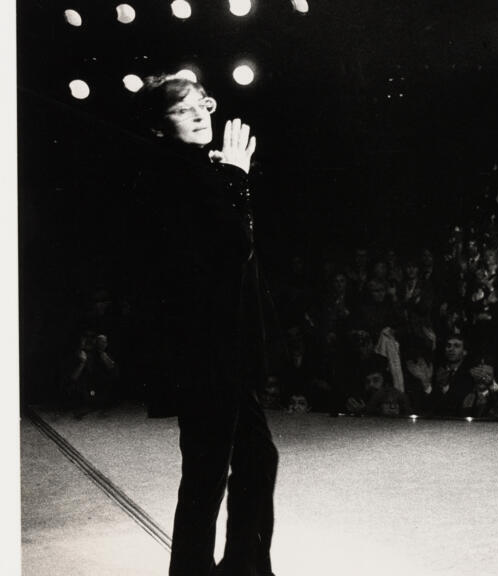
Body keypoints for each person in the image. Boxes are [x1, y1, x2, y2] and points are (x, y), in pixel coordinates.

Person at [136, 74, 277, 576]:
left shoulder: (200, 170)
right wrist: (236, 177)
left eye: (202, 104)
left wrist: (228, 178)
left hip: (226, 350)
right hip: (204, 354)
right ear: (159, 126)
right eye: (182, 109)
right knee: (207, 475)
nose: (200, 115)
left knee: (256, 460)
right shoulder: (175, 174)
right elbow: (233, 248)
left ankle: (245, 566)